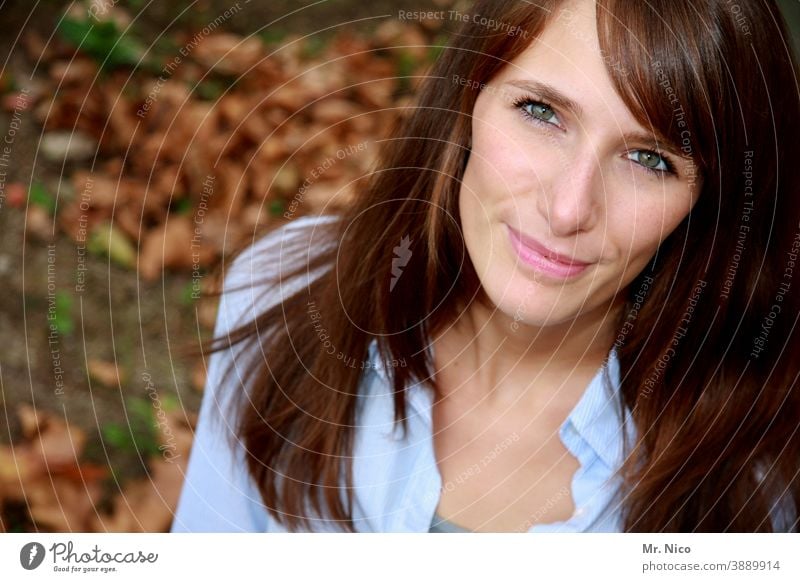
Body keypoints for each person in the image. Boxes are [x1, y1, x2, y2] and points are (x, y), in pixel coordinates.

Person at [171, 0, 800, 533]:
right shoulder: (285, 291)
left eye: (650, 159)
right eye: (541, 112)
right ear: (468, 97)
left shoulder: (752, 477)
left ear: (711, 206)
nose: (567, 208)